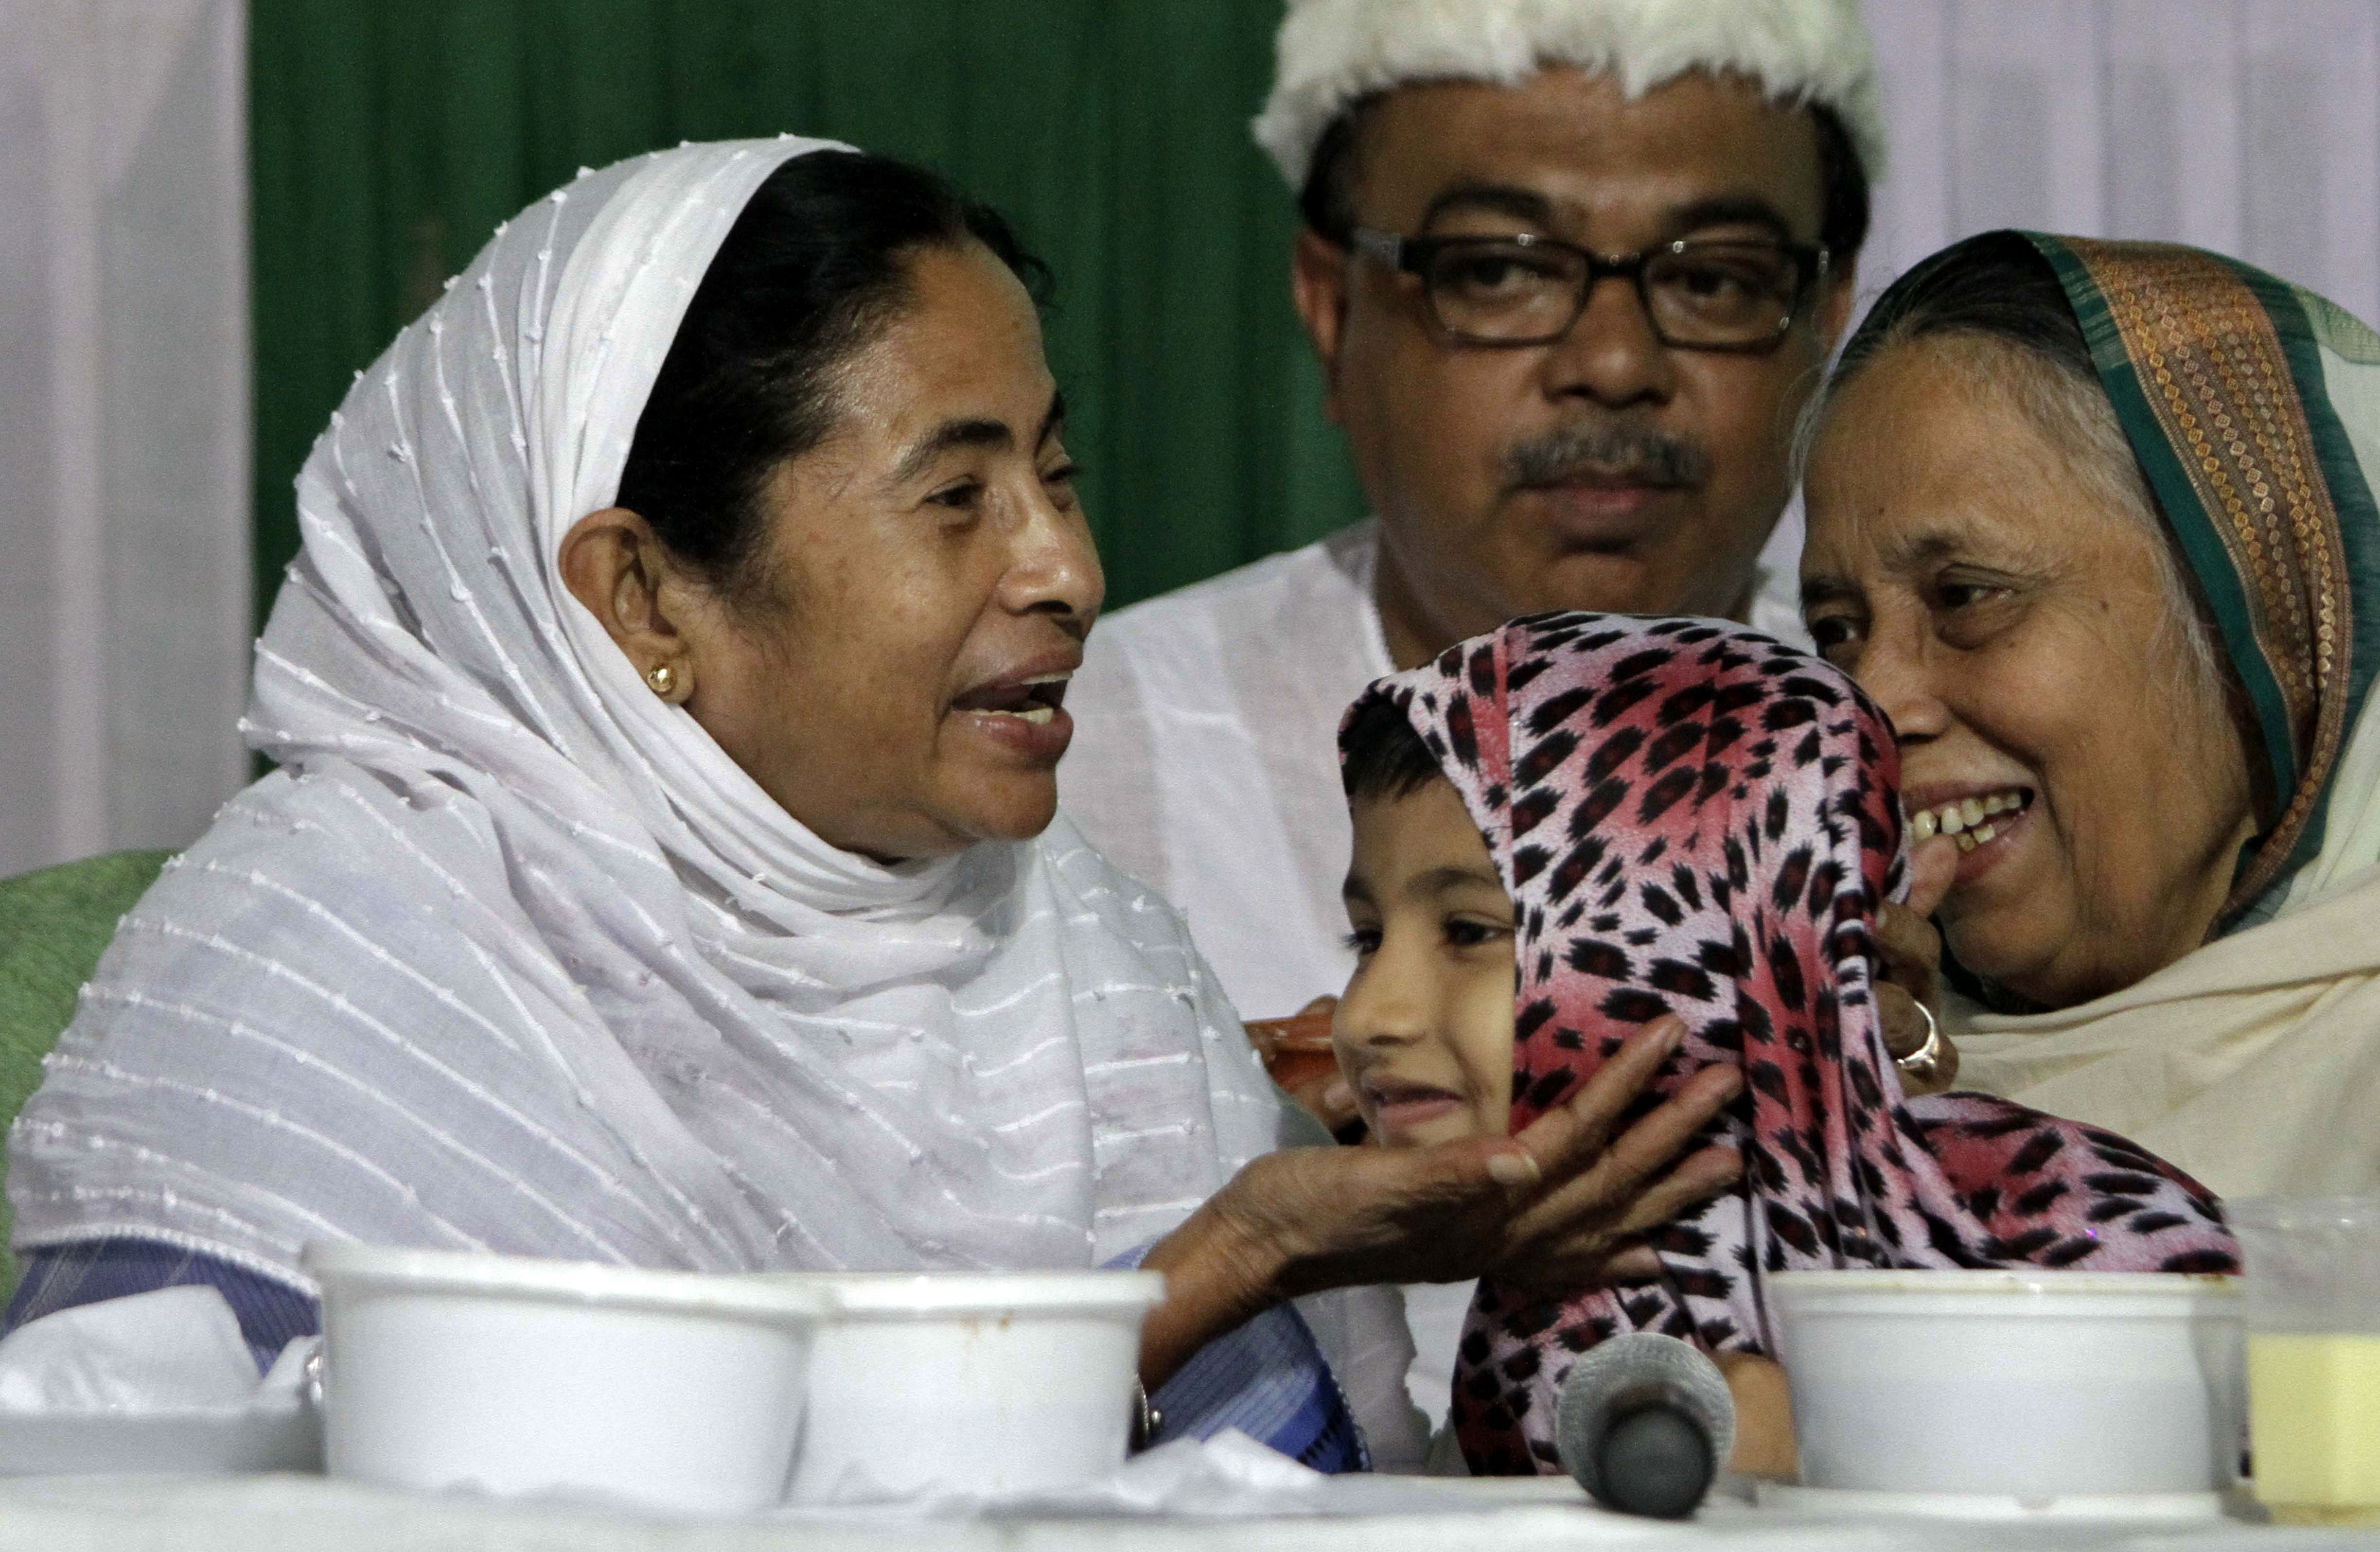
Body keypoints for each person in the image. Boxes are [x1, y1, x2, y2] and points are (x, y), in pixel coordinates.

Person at [2, 141, 1746, 1472]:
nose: (1067, 567)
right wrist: (1220, 1263)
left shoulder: (1082, 956)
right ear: (643, 597)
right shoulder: (329, 968)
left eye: (1054, 472)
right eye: (955, 495)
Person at [1058, 0, 1888, 1429]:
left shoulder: (1919, 755)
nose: (1616, 362)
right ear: (1330, 306)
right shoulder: (1071, 768)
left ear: (1828, 321)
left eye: (1720, 277)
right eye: (1500, 271)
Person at [1797, 229, 2380, 1474]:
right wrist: (1861, 1091)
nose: (1872, 702)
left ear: (2264, 625)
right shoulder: (1838, 1052)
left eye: (1968, 595)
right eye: (1838, 629)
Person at [1328, 611, 2237, 1475]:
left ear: (1689, 943)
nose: (1372, 1014)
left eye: (1471, 932)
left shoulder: (2062, 1249)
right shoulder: (1537, 1312)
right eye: (1367, 941)